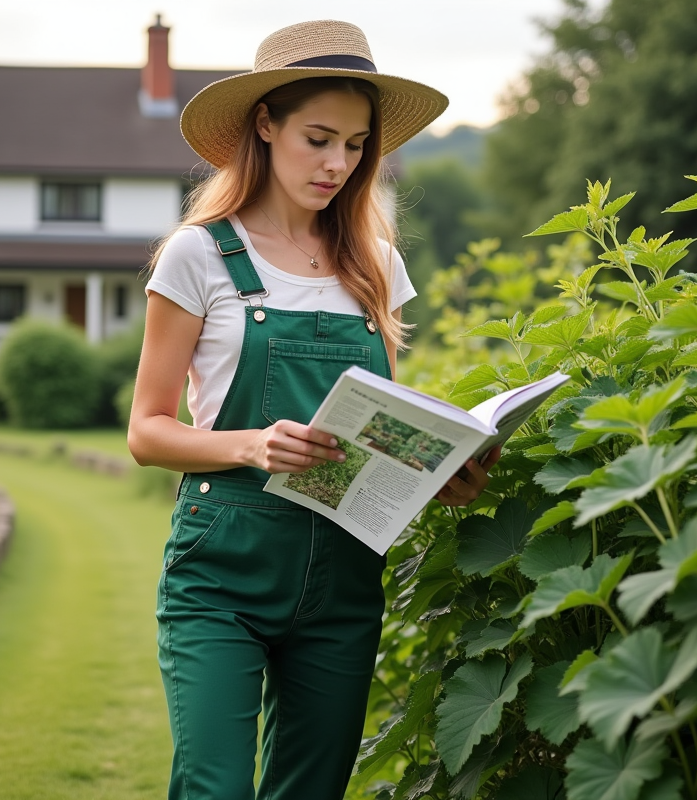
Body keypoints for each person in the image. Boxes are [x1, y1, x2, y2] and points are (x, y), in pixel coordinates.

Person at [127, 20, 501, 800]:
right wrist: (252, 446)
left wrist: (440, 472)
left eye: (357, 145)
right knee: (216, 786)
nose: (338, 164)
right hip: (223, 568)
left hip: (343, 574)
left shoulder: (375, 265)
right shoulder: (199, 254)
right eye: (319, 139)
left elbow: (380, 420)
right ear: (265, 124)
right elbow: (147, 430)